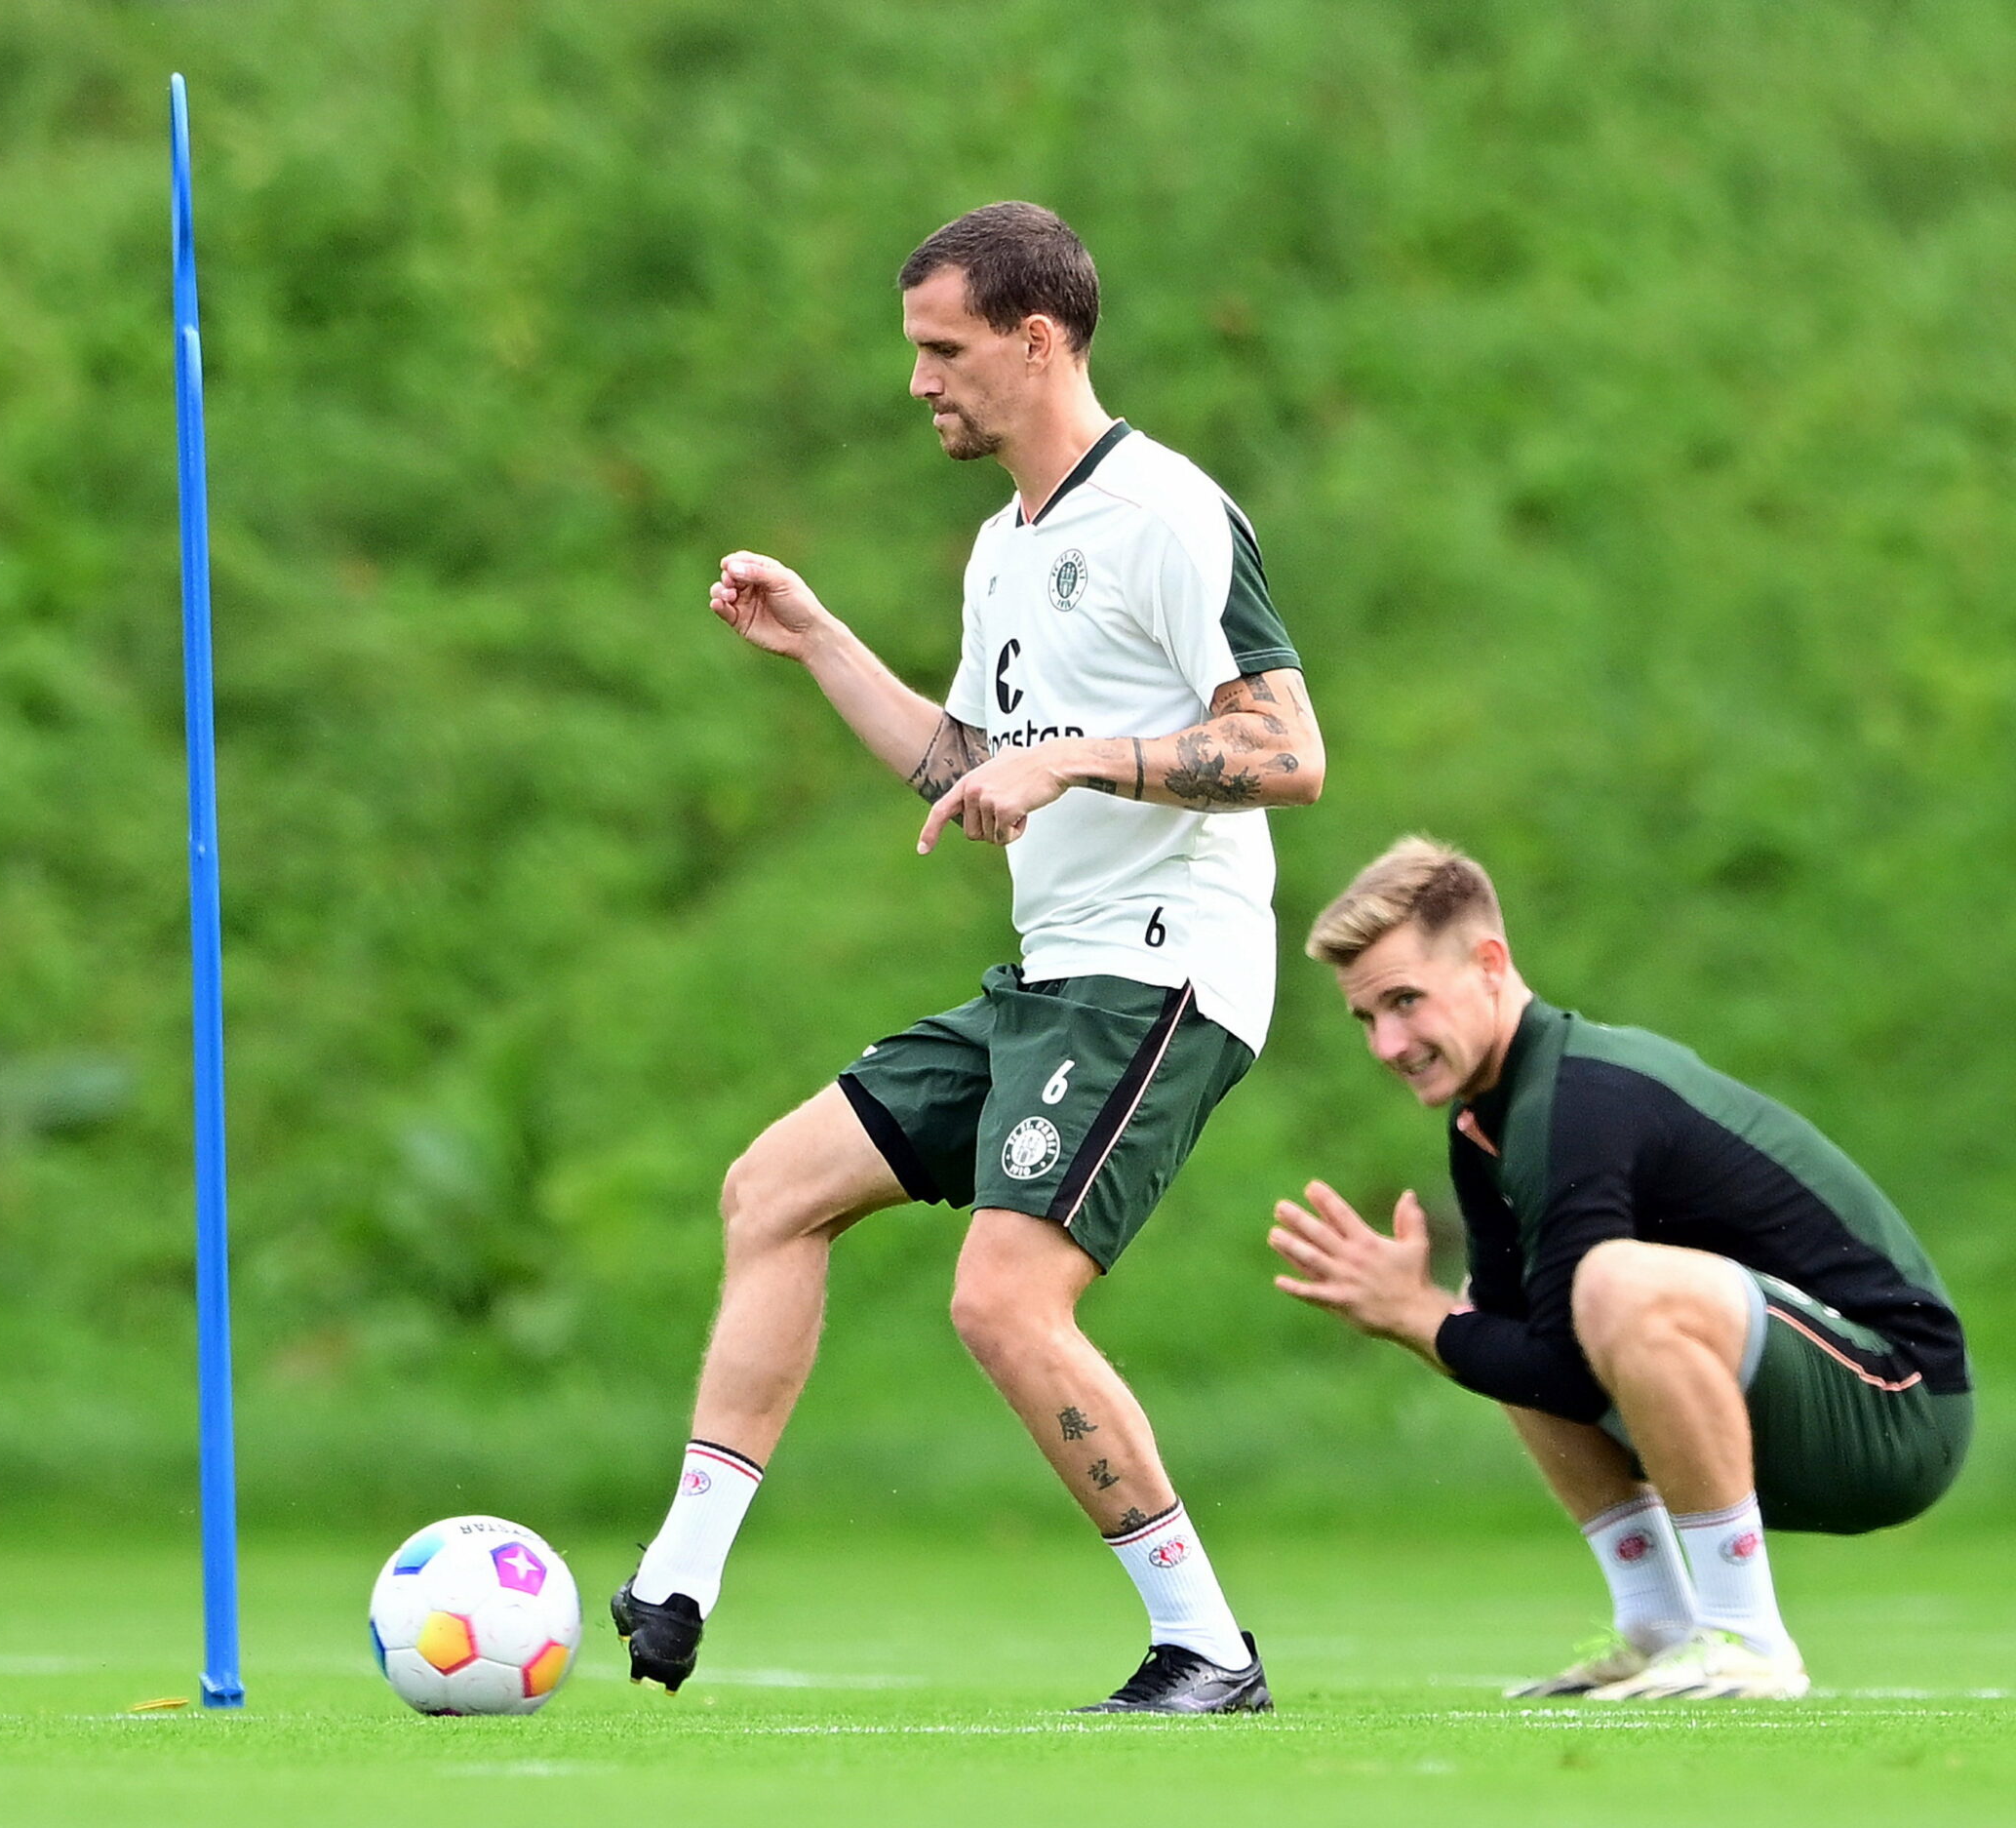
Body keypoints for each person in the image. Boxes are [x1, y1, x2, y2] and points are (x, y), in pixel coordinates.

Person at [612, 202, 1325, 1716]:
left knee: (1003, 1298)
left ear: (1036, 339)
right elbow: (964, 763)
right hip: (1048, 972)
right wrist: (817, 639)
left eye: (942, 350)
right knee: (773, 1187)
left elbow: (1285, 749)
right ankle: (677, 1574)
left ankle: (1206, 1645)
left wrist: (1072, 761)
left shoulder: (1165, 514)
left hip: (1160, 968)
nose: (919, 381)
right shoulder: (1005, 546)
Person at [1271, 836, 1971, 1699]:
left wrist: (1414, 1319)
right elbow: (1528, 1361)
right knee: (1493, 1312)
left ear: (1490, 964)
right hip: (1788, 1420)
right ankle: (1658, 1625)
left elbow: (1562, 1371)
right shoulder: (1484, 1122)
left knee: (1606, 1286)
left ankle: (1748, 1641)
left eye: (1405, 1002)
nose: (1385, 1043)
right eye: (1366, 1018)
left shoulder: (1580, 1102)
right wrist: (1433, 1319)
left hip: (1901, 1409)